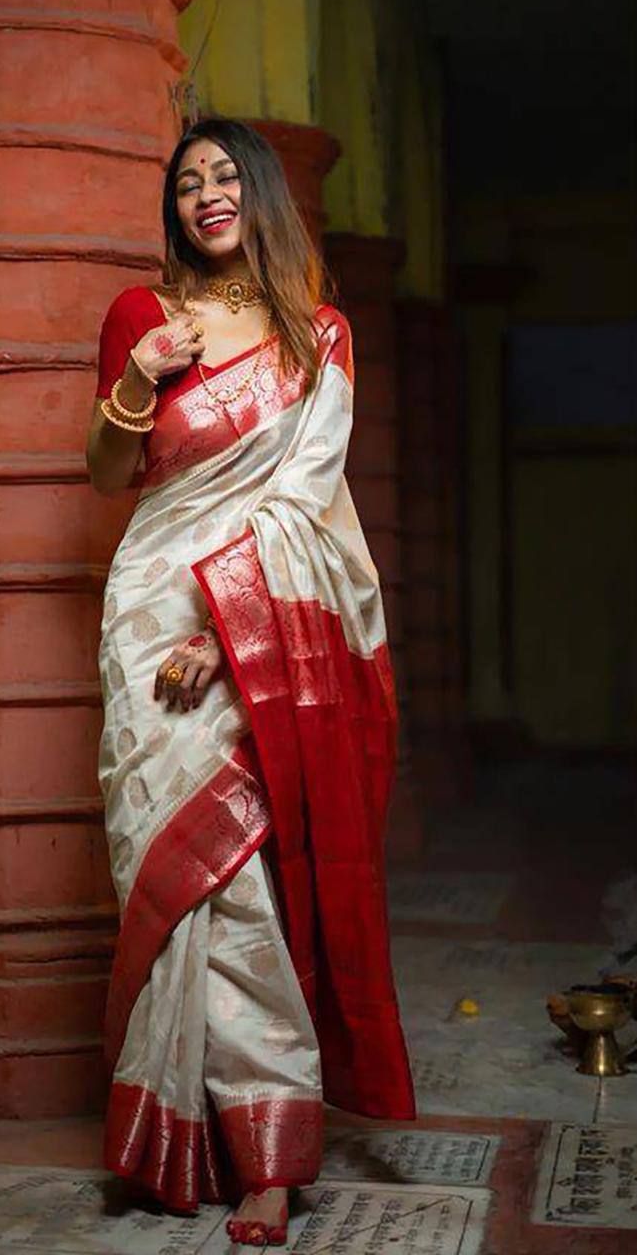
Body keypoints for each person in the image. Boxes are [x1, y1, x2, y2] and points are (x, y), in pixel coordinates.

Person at [85, 118, 415, 1247]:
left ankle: (269, 1150)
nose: (207, 194)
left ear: (261, 195)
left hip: (247, 619)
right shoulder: (144, 318)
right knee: (161, 856)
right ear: (172, 206)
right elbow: (106, 474)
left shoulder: (317, 336)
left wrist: (227, 631)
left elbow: (306, 496)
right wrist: (135, 379)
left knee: (237, 881)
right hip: (146, 610)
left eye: (227, 176)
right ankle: (177, 1131)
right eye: (188, 182)